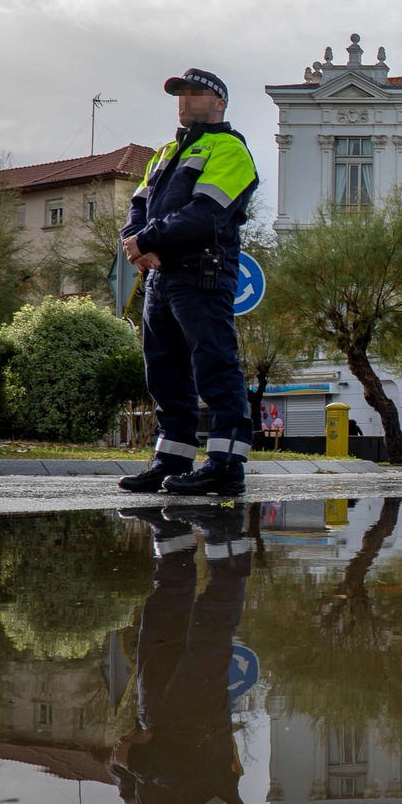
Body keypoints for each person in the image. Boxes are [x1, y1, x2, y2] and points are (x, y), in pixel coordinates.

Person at [116, 69, 260, 497]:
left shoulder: (230, 150)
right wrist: (134, 242)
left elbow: (205, 214)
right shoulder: (163, 153)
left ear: (220, 104)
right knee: (164, 372)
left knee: (214, 365)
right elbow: (136, 207)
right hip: (161, 276)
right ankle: (172, 460)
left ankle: (226, 465)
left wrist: (145, 240)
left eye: (196, 93)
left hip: (203, 273)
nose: (185, 100)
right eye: (181, 93)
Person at [111, 505, 254, 804]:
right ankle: (227, 535)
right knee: (210, 630)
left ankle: (169, 534)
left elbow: (131, 793)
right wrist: (137, 760)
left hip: (153, 713)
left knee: (160, 618)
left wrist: (120, 762)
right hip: (197, 720)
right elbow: (191, 784)